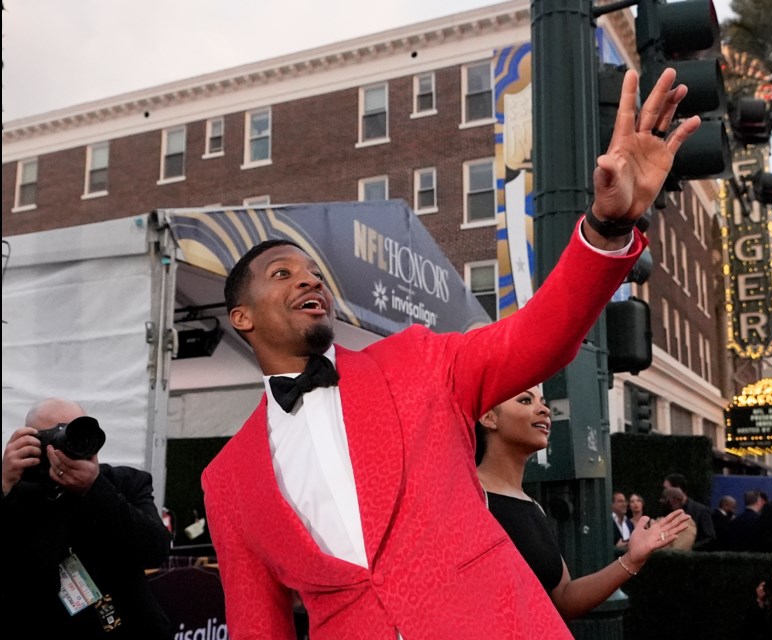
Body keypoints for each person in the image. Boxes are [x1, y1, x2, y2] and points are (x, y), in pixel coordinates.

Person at [200, 67, 701, 639]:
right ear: (241, 317)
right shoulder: (228, 480)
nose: (309, 280)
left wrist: (607, 227)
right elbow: (257, 627)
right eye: (282, 272)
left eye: (315, 271)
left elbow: (537, 337)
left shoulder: (415, 362)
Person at [474, 387, 689, 620]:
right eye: (525, 400)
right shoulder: (468, 497)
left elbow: (565, 598)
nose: (545, 410)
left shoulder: (532, 507)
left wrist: (632, 559)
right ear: (488, 417)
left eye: (543, 402)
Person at [0, 398, 172, 639]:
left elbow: (156, 549)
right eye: (56, 435)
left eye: (75, 431)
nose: (68, 443)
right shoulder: (18, 492)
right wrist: (4, 487)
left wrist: (94, 488)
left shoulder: (126, 482)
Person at [663, 473, 716, 550]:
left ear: (677, 489)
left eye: (666, 488)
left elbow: (710, 537)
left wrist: (689, 548)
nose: (664, 492)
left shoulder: (701, 510)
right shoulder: (667, 510)